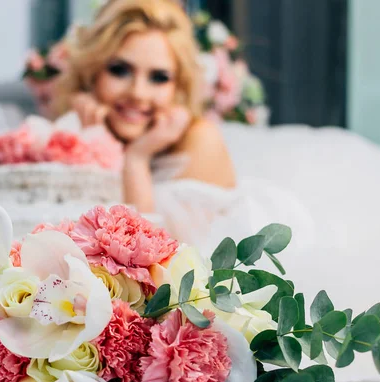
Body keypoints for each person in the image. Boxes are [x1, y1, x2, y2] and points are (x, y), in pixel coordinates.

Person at [56, 0, 314, 256]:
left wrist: (137, 159)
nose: (138, 92)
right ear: (92, 73)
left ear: (179, 87)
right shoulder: (85, 128)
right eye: (119, 70)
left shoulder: (200, 139)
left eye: (159, 77)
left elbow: (150, 267)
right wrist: (94, 141)